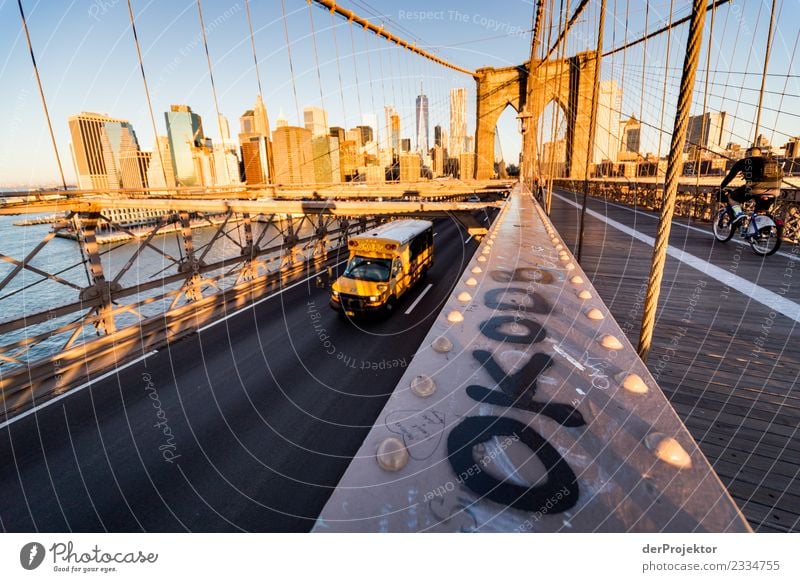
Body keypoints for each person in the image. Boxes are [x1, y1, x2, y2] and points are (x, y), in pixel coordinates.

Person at [719, 146, 783, 227]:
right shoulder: (773, 162)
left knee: (732, 197)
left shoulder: (744, 161)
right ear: (760, 154)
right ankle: (761, 231)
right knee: (761, 211)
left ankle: (739, 215)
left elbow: (730, 176)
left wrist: (721, 187)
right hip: (775, 191)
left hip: (755, 189)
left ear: (747, 154)